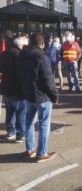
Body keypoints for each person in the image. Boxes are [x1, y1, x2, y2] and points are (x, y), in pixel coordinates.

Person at [17, 33, 58, 162]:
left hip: (28, 94)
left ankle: (30, 149)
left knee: (28, 122)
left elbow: (19, 74)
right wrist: (54, 95)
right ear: (41, 43)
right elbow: (48, 79)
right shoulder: (41, 56)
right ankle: (42, 153)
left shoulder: (22, 54)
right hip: (42, 96)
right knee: (44, 124)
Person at [0, 37, 28, 142]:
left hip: (6, 87)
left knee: (10, 111)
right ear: (22, 46)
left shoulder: (4, 53)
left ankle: (10, 132)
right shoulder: (20, 55)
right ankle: (20, 134)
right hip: (18, 88)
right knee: (20, 112)